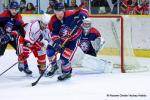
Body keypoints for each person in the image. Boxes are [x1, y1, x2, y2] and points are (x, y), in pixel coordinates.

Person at [46, 2, 88, 81]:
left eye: (61, 12)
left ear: (64, 10)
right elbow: (53, 33)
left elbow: (84, 8)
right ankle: (54, 66)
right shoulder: (53, 21)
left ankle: (67, 73)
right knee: (49, 51)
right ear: (54, 12)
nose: (59, 15)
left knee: (64, 58)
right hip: (61, 40)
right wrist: (57, 44)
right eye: (57, 12)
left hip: (73, 40)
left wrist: (83, 15)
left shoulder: (70, 13)